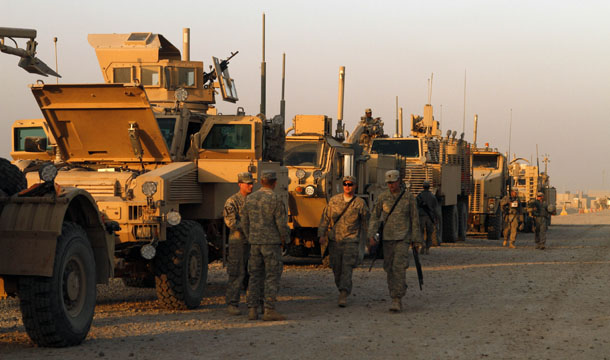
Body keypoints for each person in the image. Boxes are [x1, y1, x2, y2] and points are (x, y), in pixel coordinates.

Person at [368, 170, 422, 313]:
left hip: (403, 238)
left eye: (393, 182)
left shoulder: (408, 198)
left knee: (399, 267)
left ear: (399, 181)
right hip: (387, 239)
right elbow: (374, 216)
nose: (391, 185)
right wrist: (371, 235)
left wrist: (416, 240)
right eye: (389, 183)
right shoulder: (383, 197)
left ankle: (396, 298)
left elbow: (415, 219)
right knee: (389, 268)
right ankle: (397, 289)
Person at [242, 170, 290, 321]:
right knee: (271, 275)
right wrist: (285, 238)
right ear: (274, 183)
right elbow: (281, 224)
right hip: (271, 243)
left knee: (254, 276)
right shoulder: (275, 199)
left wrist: (251, 236)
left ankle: (252, 310)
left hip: (255, 243)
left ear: (261, 182)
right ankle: (269, 309)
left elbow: (244, 222)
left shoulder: (250, 199)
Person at [318, 175, 369, 307]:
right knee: (336, 268)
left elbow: (366, 223)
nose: (348, 186)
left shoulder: (360, 203)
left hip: (351, 240)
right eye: (345, 184)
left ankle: (343, 293)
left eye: (350, 184)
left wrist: (369, 238)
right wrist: (321, 234)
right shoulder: (334, 201)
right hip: (335, 240)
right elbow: (325, 218)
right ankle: (341, 287)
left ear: (355, 186)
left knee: (347, 268)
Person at [223, 172, 255, 315]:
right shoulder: (232, 201)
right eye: (248, 183)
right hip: (238, 242)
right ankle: (232, 303)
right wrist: (248, 227)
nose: (251, 186)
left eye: (252, 183)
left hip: (253, 241)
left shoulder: (254, 200)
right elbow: (231, 222)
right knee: (237, 272)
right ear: (240, 184)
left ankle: (252, 303)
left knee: (253, 272)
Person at [416, 180, 438, 254]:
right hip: (430, 217)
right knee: (429, 233)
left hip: (421, 216)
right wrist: (435, 218)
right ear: (429, 187)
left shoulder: (419, 196)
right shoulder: (433, 196)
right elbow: (435, 208)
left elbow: (416, 207)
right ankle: (427, 249)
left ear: (423, 187)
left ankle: (422, 244)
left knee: (421, 232)